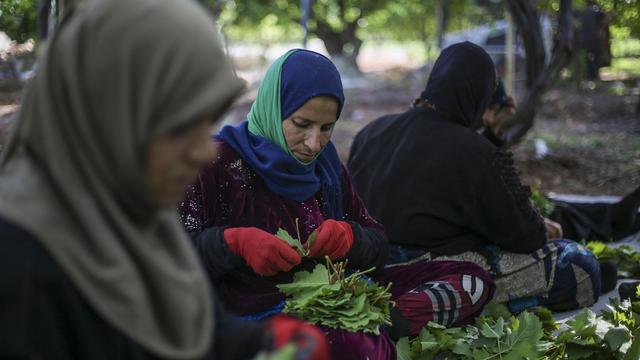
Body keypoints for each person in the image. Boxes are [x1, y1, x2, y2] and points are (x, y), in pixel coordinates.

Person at [0, 0, 328, 359]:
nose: (206, 151)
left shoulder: (136, 216)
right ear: (108, 117)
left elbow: (199, 333)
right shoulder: (21, 263)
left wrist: (261, 343)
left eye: (207, 125)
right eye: (180, 128)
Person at [178, 48, 494, 356]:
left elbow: (378, 246)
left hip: (338, 292)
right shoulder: (214, 163)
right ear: (274, 109)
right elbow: (167, 259)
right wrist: (233, 244)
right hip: (253, 312)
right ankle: (371, 331)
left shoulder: (326, 165)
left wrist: (350, 239)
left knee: (472, 279)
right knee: (350, 343)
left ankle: (387, 320)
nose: (314, 143)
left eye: (326, 128)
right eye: (301, 125)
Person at [348, 42, 602, 314]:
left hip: (368, 268)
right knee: (579, 265)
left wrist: (490, 137)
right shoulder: (475, 151)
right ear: (480, 96)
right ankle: (444, 307)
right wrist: (541, 226)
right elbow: (524, 237)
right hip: (433, 271)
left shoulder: (370, 132)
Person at [482, 79, 640, 244]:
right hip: (489, 218)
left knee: (558, 206)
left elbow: (488, 165)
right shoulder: (461, 139)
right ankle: (611, 224)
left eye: (494, 110)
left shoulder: (465, 132)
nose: (488, 118)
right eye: (489, 109)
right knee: (557, 219)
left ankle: (612, 214)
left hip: (494, 205)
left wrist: (496, 129)